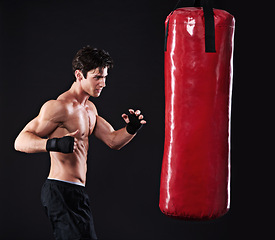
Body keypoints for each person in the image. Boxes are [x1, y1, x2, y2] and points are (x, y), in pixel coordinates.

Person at [14, 46, 146, 240]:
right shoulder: (59, 107)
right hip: (59, 191)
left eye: (105, 77)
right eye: (97, 77)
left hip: (77, 193)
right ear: (79, 75)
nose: (103, 83)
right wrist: (54, 144)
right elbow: (20, 141)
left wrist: (131, 129)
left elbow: (112, 140)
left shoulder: (90, 109)